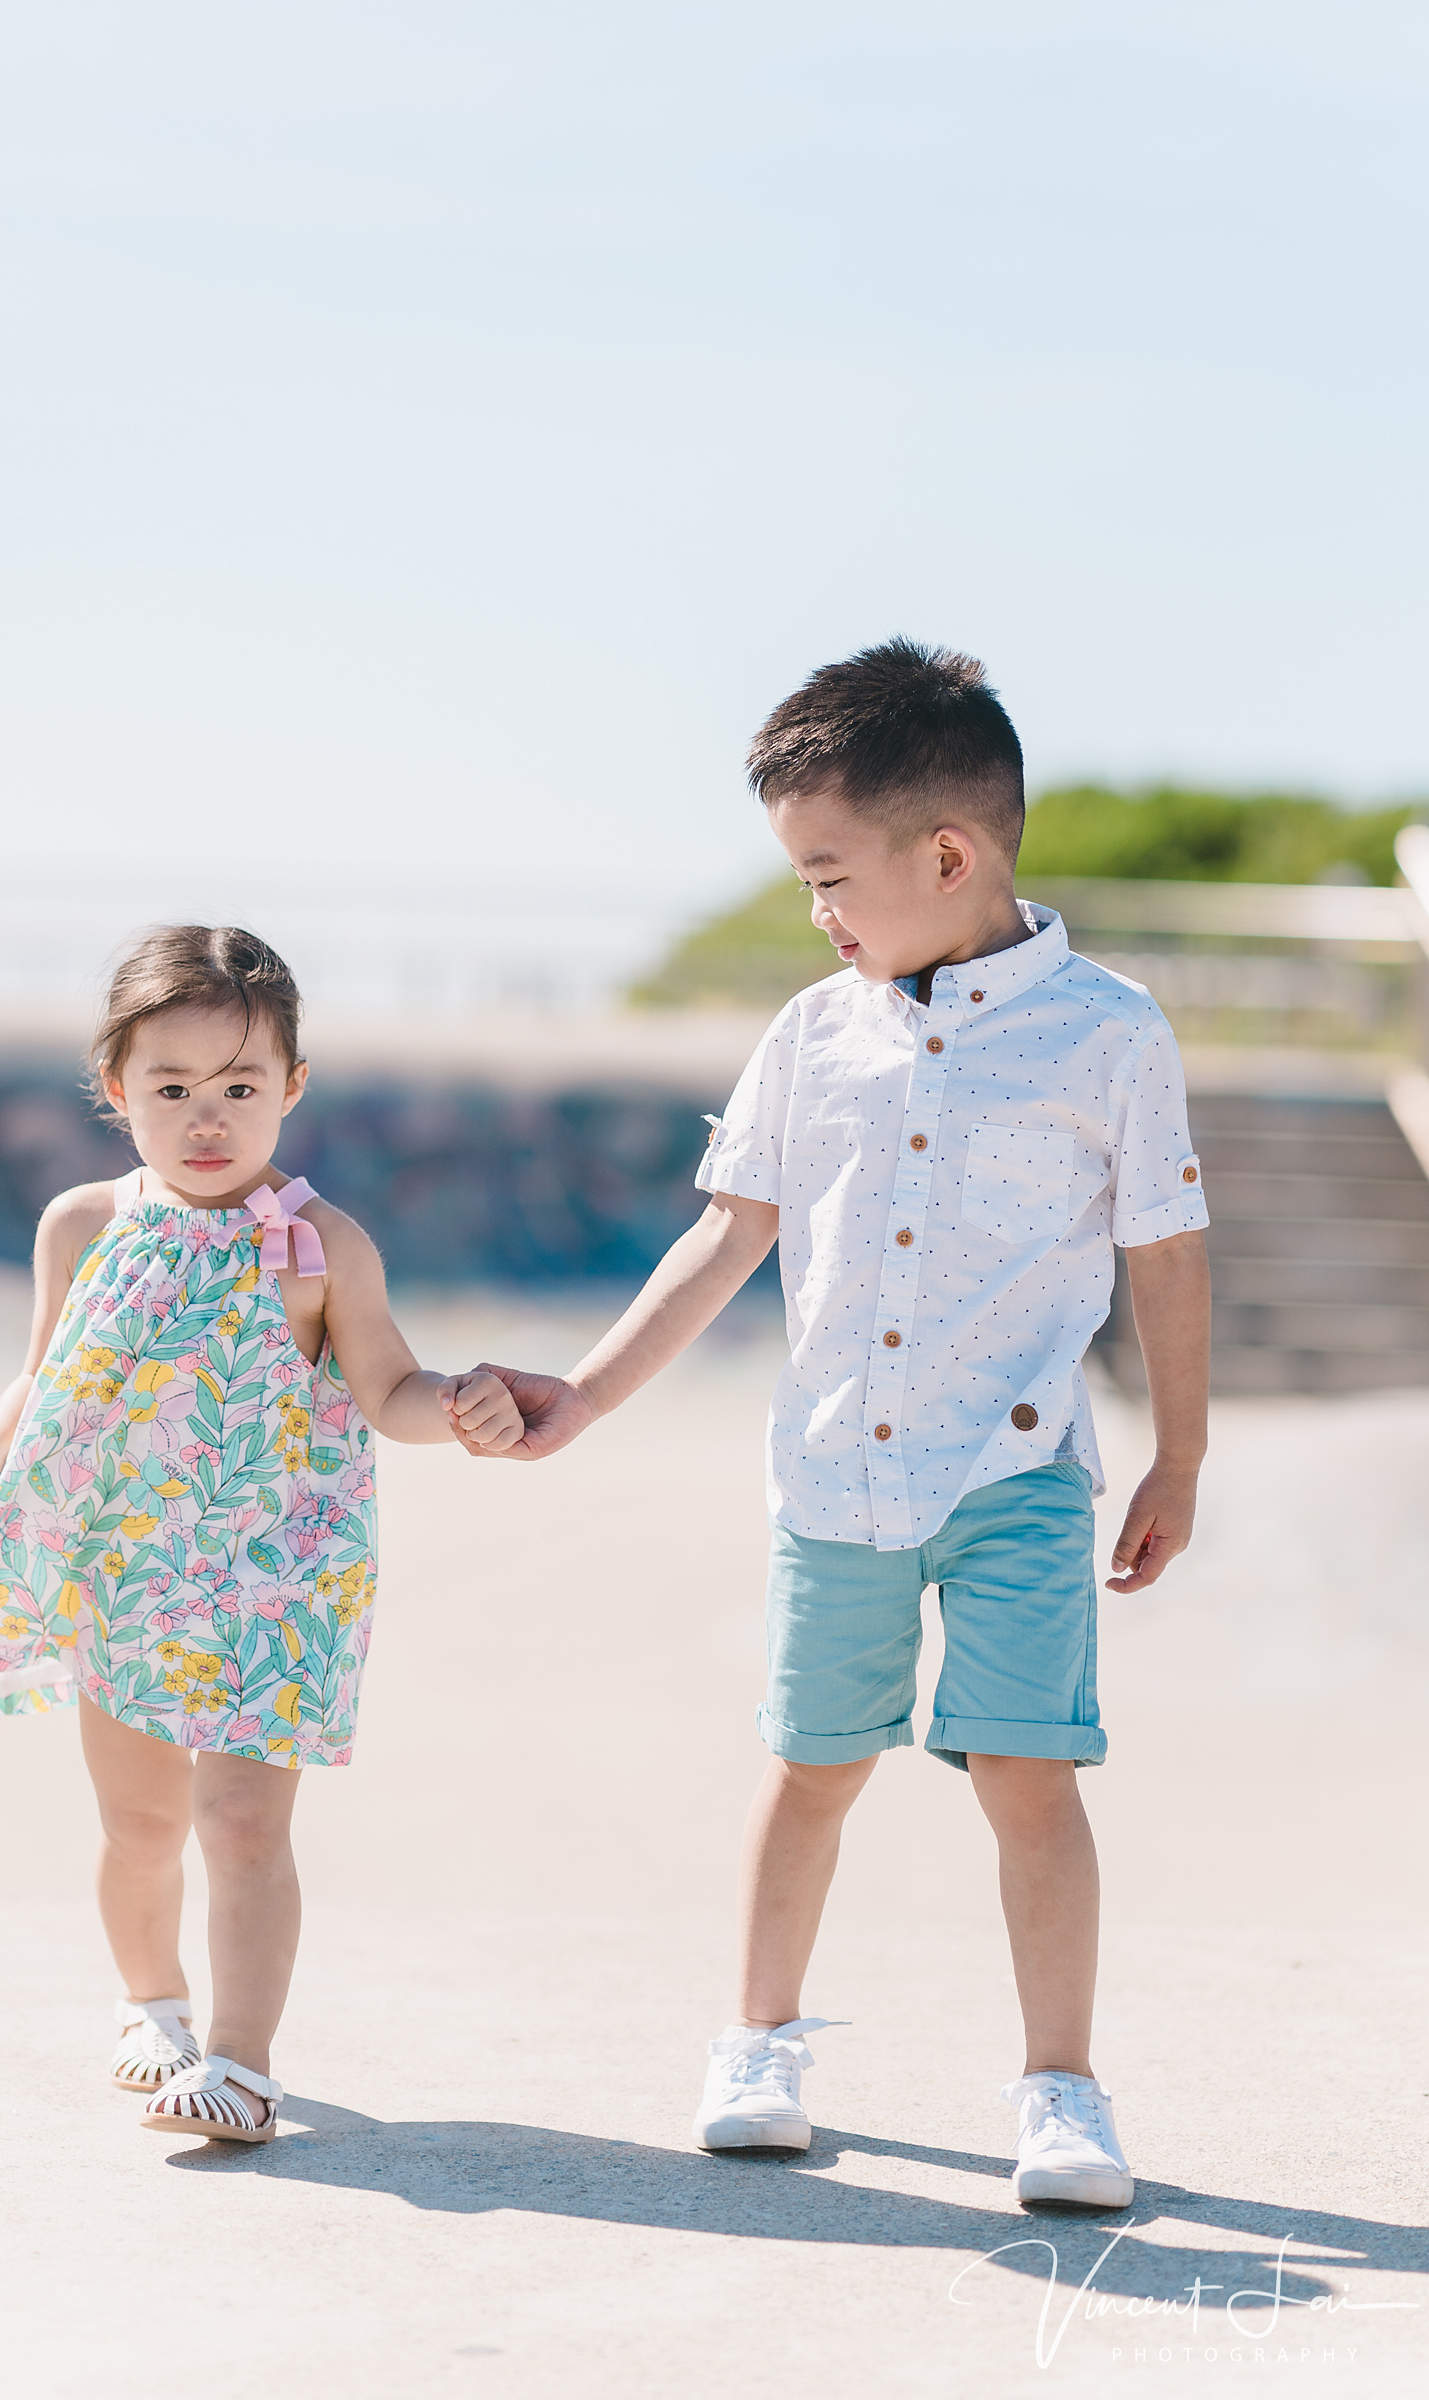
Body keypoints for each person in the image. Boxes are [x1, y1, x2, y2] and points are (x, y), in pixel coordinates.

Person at [452, 640, 1210, 2210]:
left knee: (1028, 1774)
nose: (819, 911)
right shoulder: (816, 1032)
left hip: (1016, 1478)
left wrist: (1181, 1457)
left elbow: (1166, 1250)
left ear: (949, 854)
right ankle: (760, 2044)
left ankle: (1063, 2091)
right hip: (835, 1475)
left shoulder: (1111, 1033)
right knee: (810, 1764)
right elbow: (723, 1241)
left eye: (826, 874)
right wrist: (581, 1396)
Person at [0, 924, 523, 2142]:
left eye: (240, 1087)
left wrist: (458, 1408)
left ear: (292, 1088)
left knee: (243, 1824)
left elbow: (387, 1389)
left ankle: (241, 2066)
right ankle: (152, 2006)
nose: (206, 1117)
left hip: (274, 1581)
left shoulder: (320, 1240)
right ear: (115, 1091)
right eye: (171, 1087)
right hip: (122, 1566)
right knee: (138, 1825)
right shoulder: (83, 1225)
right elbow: (39, 1377)